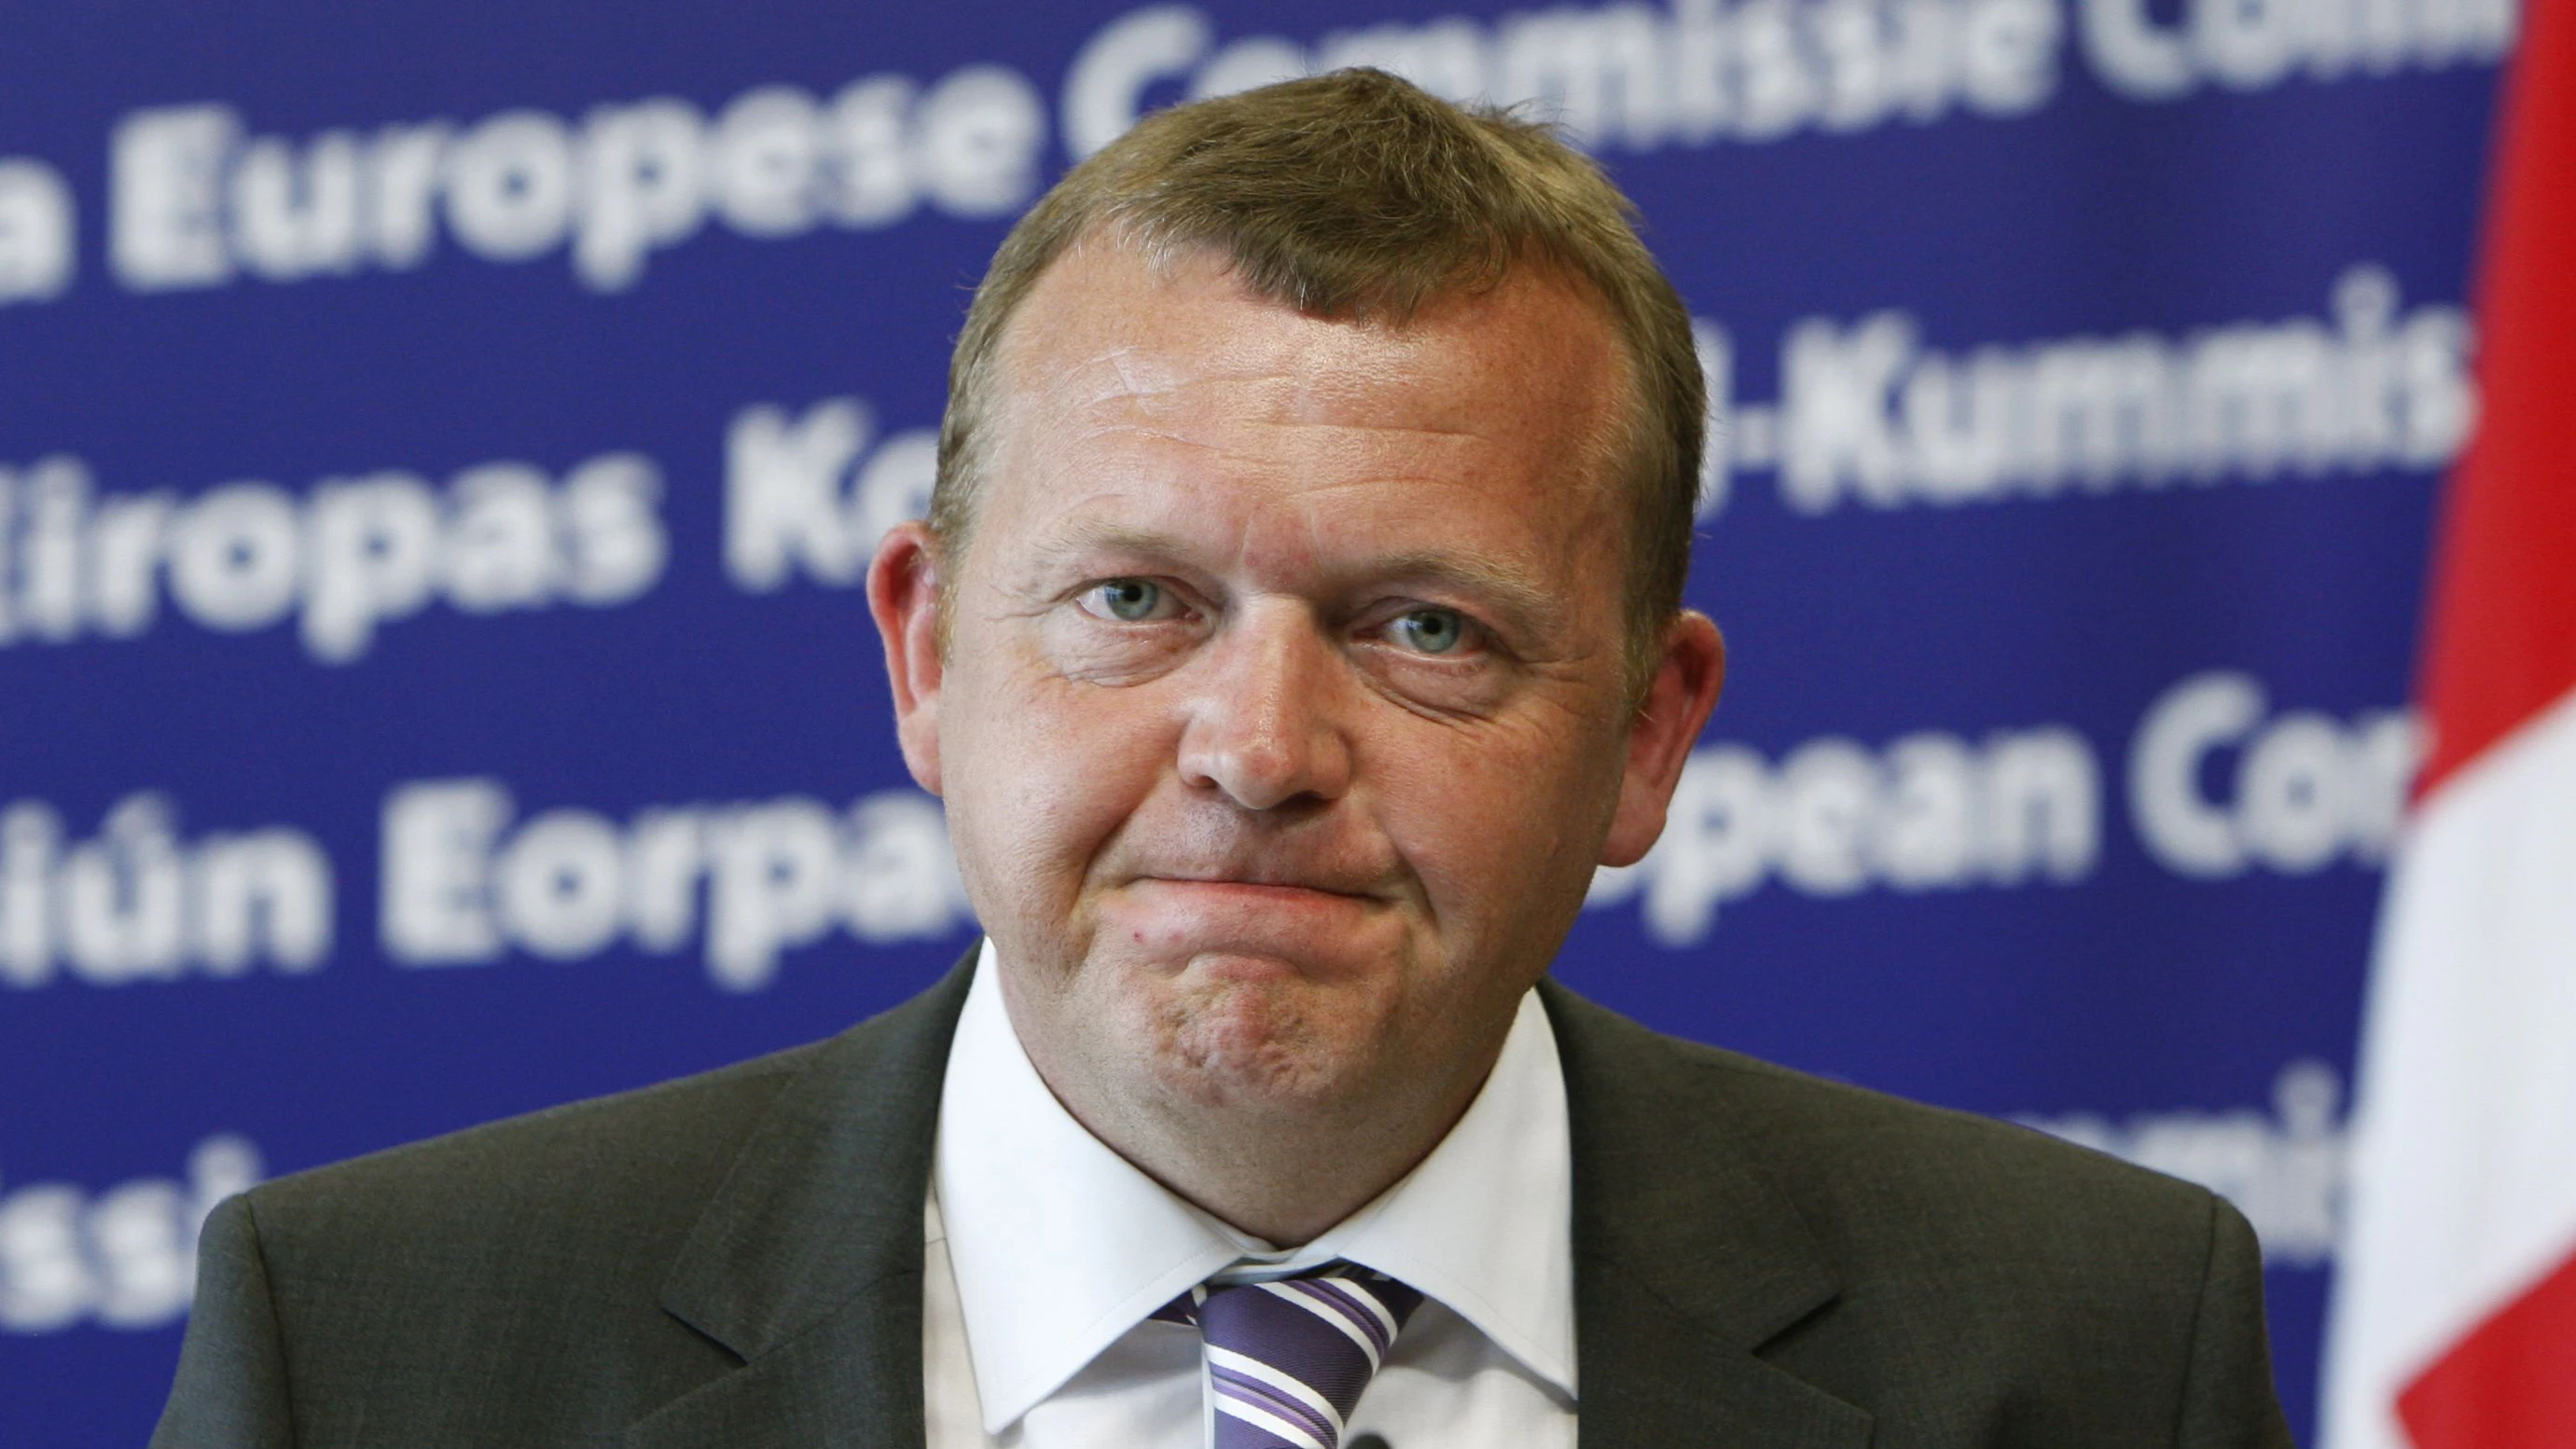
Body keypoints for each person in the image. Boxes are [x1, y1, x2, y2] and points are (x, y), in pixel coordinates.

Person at [154, 69, 2294, 1448]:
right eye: (1133, 606)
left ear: (1643, 738)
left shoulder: (2086, 1348)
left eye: (1422, 629)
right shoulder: (373, 1359)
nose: (1259, 750)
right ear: (924, 654)